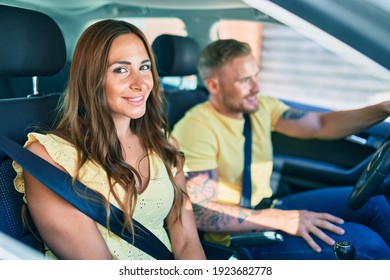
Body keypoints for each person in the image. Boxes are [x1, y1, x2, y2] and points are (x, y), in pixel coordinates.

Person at [171, 39, 390, 260]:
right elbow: (200, 212)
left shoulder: (261, 106)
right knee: (365, 244)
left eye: (256, 75)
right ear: (214, 85)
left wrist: (383, 108)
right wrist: (280, 220)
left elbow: (320, 124)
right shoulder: (196, 129)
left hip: (271, 206)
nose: (256, 87)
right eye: (245, 80)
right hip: (235, 236)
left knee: (374, 202)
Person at [12, 19, 205, 260]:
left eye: (144, 67)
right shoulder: (49, 158)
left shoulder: (164, 144)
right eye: (121, 70)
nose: (140, 83)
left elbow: (187, 240)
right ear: (91, 78)